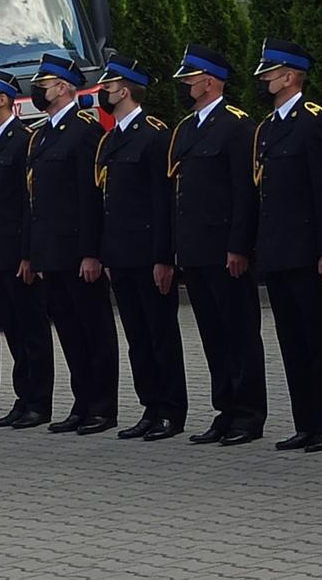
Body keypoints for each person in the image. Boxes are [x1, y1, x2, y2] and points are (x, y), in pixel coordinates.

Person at [251, 38, 322, 453]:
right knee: (292, 341)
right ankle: (305, 421)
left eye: (269, 74)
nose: (263, 81)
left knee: (320, 339)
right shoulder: (268, 127)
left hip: (309, 252)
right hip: (278, 251)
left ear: (290, 76)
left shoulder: (314, 121)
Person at [170, 43, 265, 446]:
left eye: (189, 79)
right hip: (195, 249)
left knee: (239, 332)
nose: (184, 86)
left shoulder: (236, 126)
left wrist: (239, 246)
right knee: (212, 334)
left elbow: (245, 192)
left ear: (209, 82)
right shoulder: (187, 128)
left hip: (225, 250)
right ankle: (225, 409)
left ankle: (248, 413)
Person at [25, 54, 119, 436]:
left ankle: (102, 406)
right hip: (52, 251)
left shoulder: (84, 131)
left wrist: (91, 252)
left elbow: (89, 197)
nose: (37, 91)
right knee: (68, 330)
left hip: (78, 251)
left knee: (93, 330)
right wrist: (35, 252)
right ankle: (82, 402)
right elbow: (37, 200)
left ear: (63, 87)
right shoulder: (43, 134)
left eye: (43, 84)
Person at [93, 53, 185, 441]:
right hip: (122, 254)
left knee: (160, 334)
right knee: (137, 338)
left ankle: (171, 410)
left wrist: (163, 257)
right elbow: (108, 203)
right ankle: (150, 406)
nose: (104, 92)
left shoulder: (153, 135)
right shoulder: (112, 138)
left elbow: (163, 202)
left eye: (109, 87)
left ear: (126, 90)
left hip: (148, 255)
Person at [0, 68, 54, 430]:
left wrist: (27, 253)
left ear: (4, 98)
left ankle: (39, 401)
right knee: (13, 330)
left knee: (32, 329)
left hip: (18, 252)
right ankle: (23, 397)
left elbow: (28, 202)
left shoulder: (23, 140)